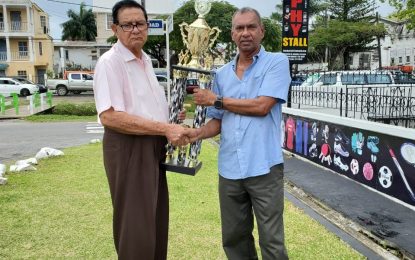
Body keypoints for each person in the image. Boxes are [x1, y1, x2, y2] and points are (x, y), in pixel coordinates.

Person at [93, 1, 191, 259]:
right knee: (135, 225)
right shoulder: (110, 62)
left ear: (148, 26)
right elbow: (110, 116)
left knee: (156, 220)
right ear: (115, 28)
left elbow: (146, 106)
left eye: (141, 23)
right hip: (129, 148)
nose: (135, 30)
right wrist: (164, 127)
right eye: (128, 25)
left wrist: (171, 115)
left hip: (153, 146)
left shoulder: (145, 59)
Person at [191, 7, 291, 260]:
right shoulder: (221, 74)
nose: (245, 33)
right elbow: (217, 122)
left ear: (261, 31)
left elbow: (261, 106)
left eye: (251, 27)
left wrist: (217, 100)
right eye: (239, 28)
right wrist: (196, 133)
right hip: (230, 169)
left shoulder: (277, 62)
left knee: (272, 241)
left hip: (264, 167)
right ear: (232, 34)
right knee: (234, 238)